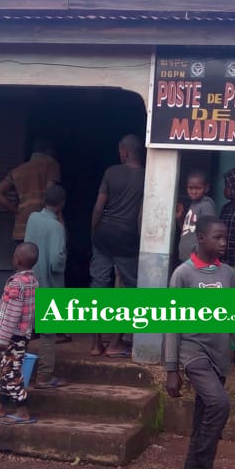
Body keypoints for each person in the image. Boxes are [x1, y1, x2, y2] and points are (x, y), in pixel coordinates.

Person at [165, 217, 235, 469]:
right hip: (193, 353)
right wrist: (172, 368)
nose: (223, 243)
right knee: (220, 404)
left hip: (220, 358)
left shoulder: (228, 274)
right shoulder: (182, 274)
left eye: (225, 238)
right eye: (217, 238)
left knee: (202, 422)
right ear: (201, 239)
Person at [89, 134, 145, 358]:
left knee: (99, 286)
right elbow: (141, 215)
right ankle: (115, 344)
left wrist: (94, 232)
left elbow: (98, 208)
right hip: (127, 237)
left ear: (125, 151)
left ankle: (95, 344)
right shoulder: (146, 177)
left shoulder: (111, 172)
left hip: (104, 234)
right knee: (129, 292)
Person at [25, 184, 68, 389]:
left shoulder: (33, 218)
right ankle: (44, 377)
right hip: (49, 286)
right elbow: (56, 263)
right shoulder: (57, 227)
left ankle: (19, 374)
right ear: (61, 205)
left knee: (23, 331)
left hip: (30, 282)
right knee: (48, 336)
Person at [0, 242, 39, 424]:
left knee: (12, 373)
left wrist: (3, 338)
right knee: (6, 370)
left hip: (13, 336)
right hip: (22, 335)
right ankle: (0, 406)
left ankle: (22, 409)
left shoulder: (17, 283)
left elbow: (12, 314)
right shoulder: (32, 281)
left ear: (18, 260)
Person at [0, 138, 61, 246]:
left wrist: (16, 210)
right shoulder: (51, 164)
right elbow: (51, 192)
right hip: (44, 227)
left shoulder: (18, 171)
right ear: (49, 151)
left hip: (22, 228)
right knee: (44, 262)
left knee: (23, 261)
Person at [177, 170, 216, 263]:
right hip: (188, 259)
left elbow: (210, 231)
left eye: (198, 188)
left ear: (206, 188)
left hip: (197, 260)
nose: (193, 191)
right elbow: (188, 230)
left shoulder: (206, 205)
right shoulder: (194, 205)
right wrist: (180, 219)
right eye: (190, 188)